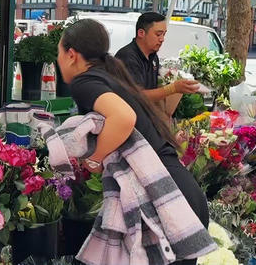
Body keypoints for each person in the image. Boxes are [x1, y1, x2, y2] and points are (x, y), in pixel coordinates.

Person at [58, 18, 208, 265]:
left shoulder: (85, 82)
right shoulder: (111, 75)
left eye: (59, 54)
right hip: (180, 195)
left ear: (71, 54)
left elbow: (123, 117)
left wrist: (93, 160)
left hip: (167, 203)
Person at [115, 12, 199, 102]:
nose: (162, 39)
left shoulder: (153, 57)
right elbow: (137, 96)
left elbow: (154, 91)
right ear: (141, 33)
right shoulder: (127, 57)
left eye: (164, 34)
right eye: (158, 34)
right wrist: (172, 88)